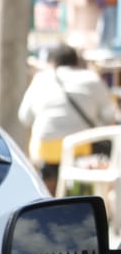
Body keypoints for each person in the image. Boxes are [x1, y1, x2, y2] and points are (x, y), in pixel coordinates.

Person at [18, 44, 117, 195]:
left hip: (46, 150)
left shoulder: (41, 79)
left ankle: (47, 192)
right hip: (82, 149)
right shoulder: (91, 78)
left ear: (53, 62)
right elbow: (111, 116)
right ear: (77, 62)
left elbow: (24, 117)